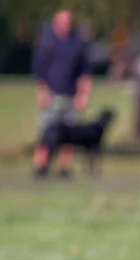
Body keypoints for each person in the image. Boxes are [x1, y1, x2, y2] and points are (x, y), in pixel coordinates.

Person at [32, 10, 93, 178]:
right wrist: (42, 92)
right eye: (63, 21)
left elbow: (85, 72)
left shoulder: (78, 43)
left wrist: (83, 95)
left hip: (70, 96)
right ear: (55, 22)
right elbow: (39, 71)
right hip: (51, 95)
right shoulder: (47, 42)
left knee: (69, 135)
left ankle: (64, 168)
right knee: (46, 132)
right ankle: (40, 166)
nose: (66, 25)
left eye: (68, 21)